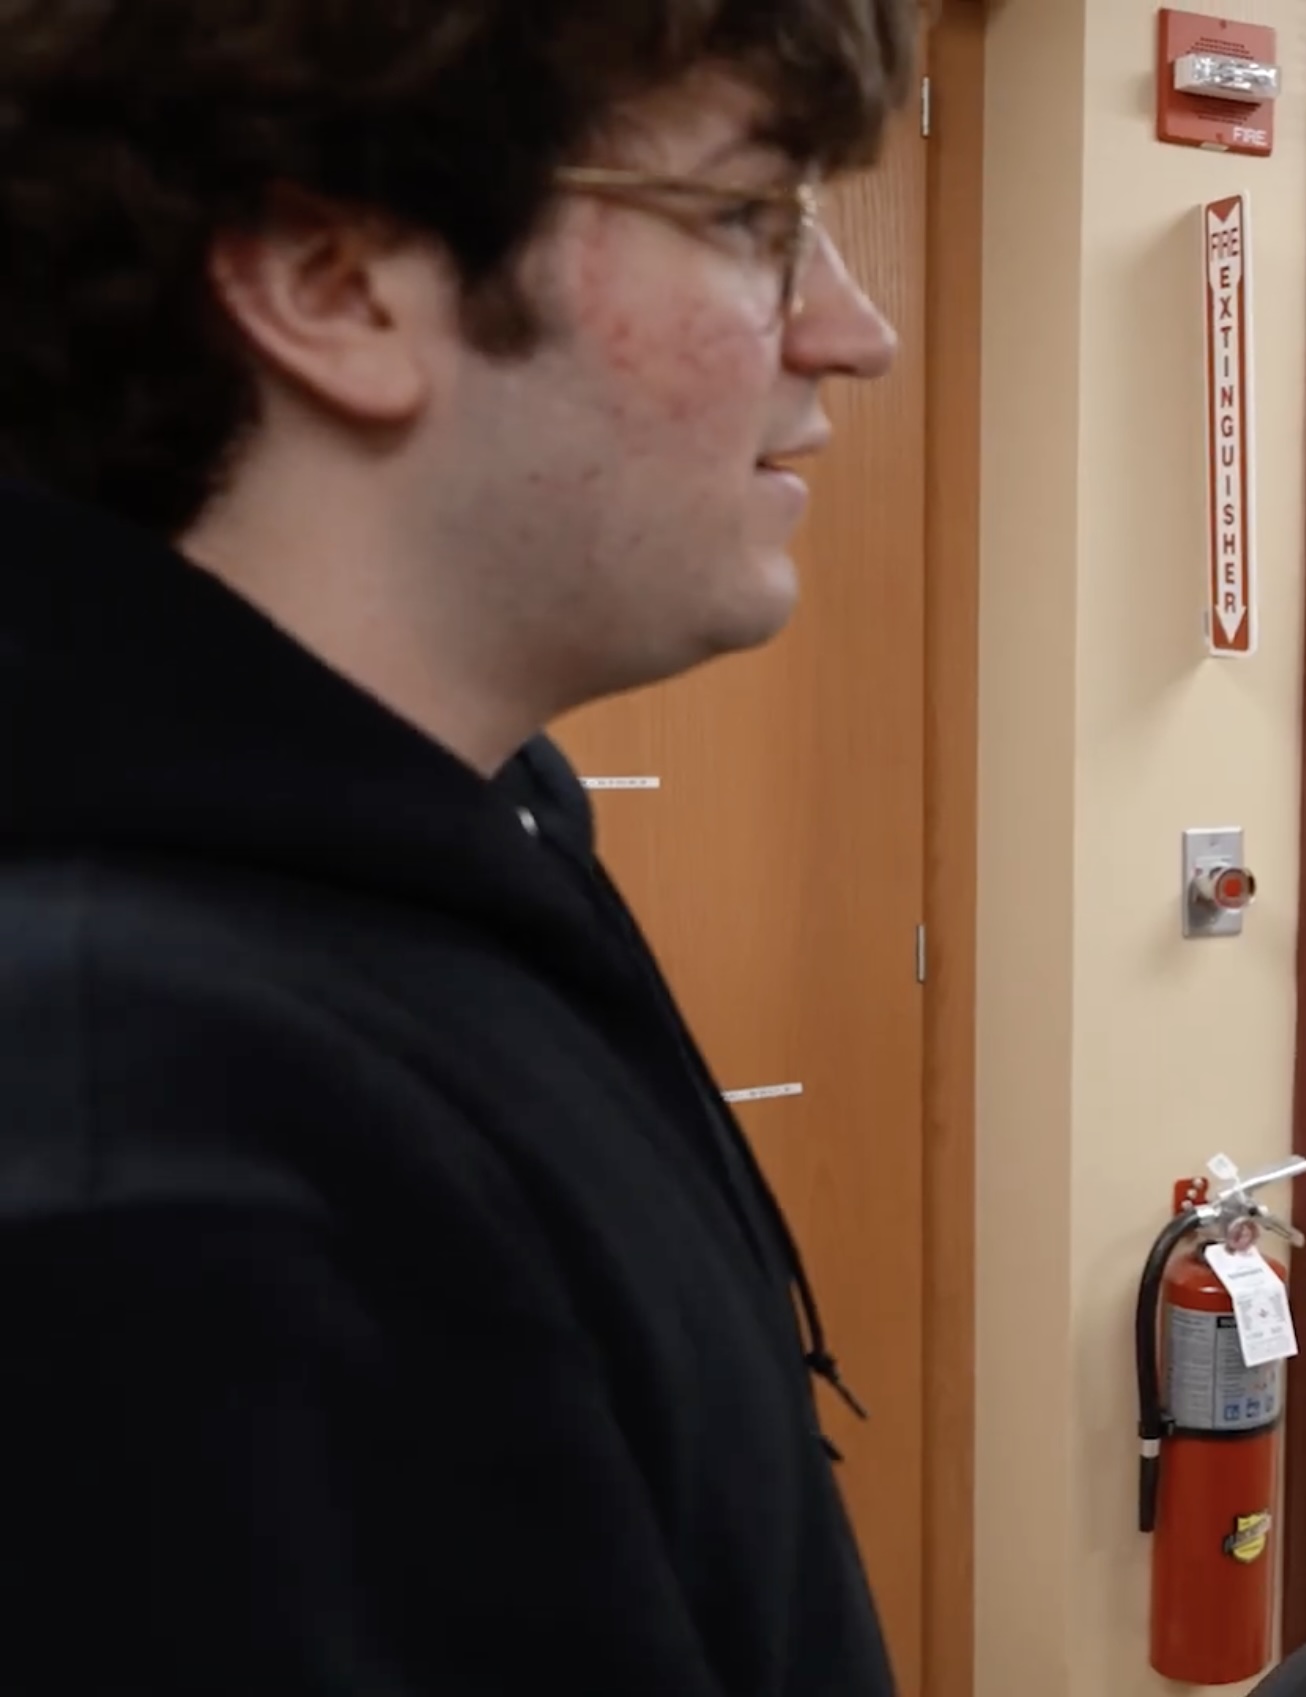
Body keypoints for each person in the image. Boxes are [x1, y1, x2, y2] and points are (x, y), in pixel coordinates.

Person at [0, 2, 911, 1690]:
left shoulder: (470, 836)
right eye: (747, 219)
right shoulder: (147, 1153)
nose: (853, 335)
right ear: (332, 280)